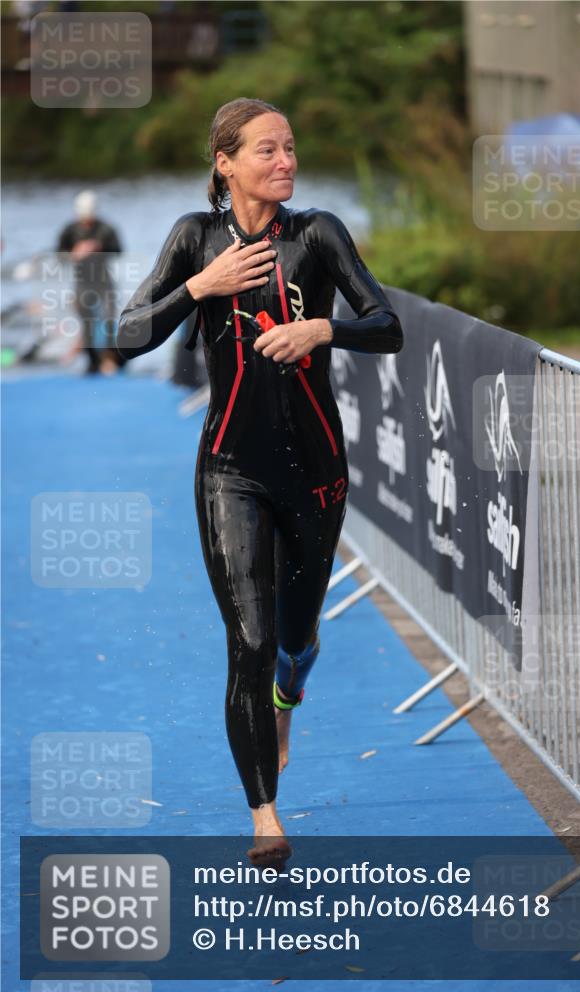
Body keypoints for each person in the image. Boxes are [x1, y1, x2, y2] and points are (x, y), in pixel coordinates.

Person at [115, 97, 403, 865]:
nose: (285, 162)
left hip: (315, 473)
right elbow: (126, 335)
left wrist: (323, 328)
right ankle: (265, 819)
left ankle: (289, 691)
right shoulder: (194, 238)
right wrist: (199, 287)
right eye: (267, 151)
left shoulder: (317, 235)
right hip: (229, 473)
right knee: (249, 638)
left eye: (290, 149)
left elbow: (388, 326)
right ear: (225, 162)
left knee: (296, 636)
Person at [56, 190, 127, 375]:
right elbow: (59, 256)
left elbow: (119, 251)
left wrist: (99, 248)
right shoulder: (70, 230)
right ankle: (92, 361)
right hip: (82, 282)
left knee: (109, 318)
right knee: (86, 321)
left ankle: (113, 359)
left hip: (103, 280)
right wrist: (75, 253)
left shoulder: (106, 229)